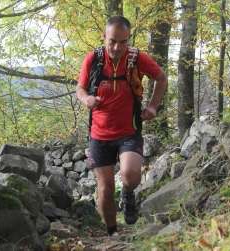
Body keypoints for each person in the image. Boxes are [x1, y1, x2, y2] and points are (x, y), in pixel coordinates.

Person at [76, 16, 168, 236]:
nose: (117, 47)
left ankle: (128, 193)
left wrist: (153, 107)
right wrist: (87, 99)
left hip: (129, 131)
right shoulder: (93, 59)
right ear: (104, 37)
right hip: (99, 135)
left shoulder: (137, 59)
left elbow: (161, 78)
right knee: (105, 190)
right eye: (112, 41)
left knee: (131, 175)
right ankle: (112, 234)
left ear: (129, 40)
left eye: (123, 42)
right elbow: (80, 88)